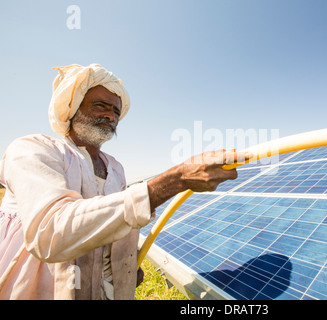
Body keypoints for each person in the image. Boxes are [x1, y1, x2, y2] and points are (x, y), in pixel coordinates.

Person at [0, 63, 249, 300]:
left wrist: (130, 262)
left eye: (116, 111)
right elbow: (52, 232)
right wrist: (177, 179)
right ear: (73, 106)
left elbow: (118, 223)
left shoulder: (115, 168)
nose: (110, 115)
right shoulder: (33, 150)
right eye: (101, 106)